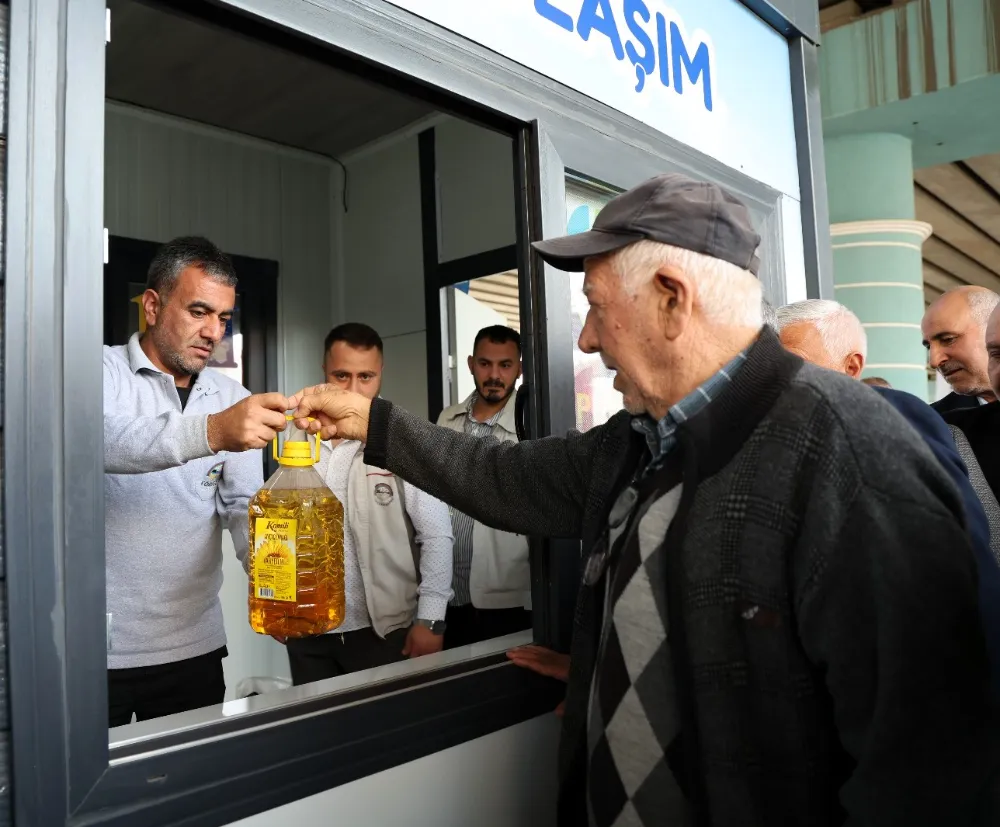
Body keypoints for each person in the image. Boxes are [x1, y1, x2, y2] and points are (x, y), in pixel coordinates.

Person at [289, 174, 998, 827]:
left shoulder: (854, 456)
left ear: (671, 298)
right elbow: (507, 477)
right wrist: (374, 422)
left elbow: (935, 771)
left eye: (596, 309)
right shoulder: (638, 441)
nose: (589, 338)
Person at [104, 236, 290, 726]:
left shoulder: (230, 394)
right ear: (152, 305)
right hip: (100, 652)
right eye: (199, 311)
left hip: (195, 647)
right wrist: (214, 432)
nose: (214, 332)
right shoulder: (99, 373)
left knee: (190, 793)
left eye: (224, 318)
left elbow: (242, 507)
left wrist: (276, 590)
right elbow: (104, 442)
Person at [775, 298, 1000, 696]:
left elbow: (973, 555)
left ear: (851, 368)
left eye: (793, 363)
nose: (775, 380)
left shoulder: (916, 426)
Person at [281, 323, 454, 684]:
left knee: (386, 737)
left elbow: (436, 535)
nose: (353, 390)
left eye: (366, 376)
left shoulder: (402, 439)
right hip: (308, 630)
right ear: (323, 370)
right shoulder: (293, 437)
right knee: (317, 738)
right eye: (341, 375)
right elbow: (279, 532)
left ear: (381, 374)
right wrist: (279, 605)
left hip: (384, 633)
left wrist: (431, 618)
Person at [436, 325, 531, 648]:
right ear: (470, 364)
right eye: (485, 364)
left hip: (503, 597)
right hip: (447, 594)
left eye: (505, 365)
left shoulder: (532, 425)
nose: (494, 375)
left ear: (519, 367)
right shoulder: (447, 419)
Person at [923, 286, 1000, 413]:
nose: (934, 361)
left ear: (992, 329)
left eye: (948, 339)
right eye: (928, 347)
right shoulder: (930, 425)